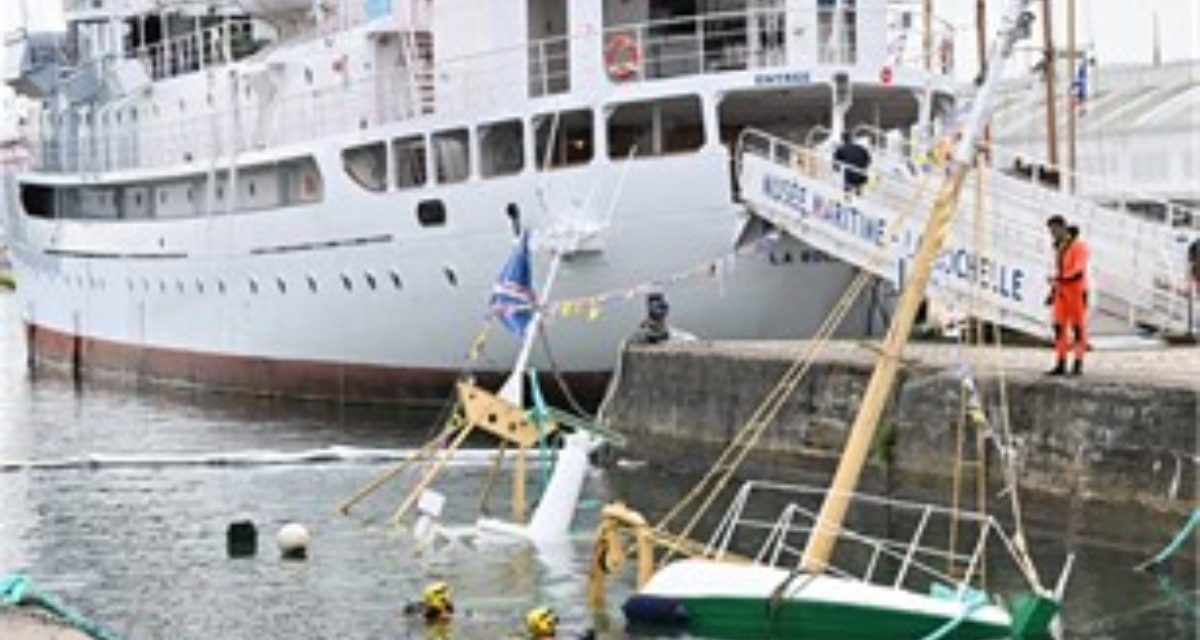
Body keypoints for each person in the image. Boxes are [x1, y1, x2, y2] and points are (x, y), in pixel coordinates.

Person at [1045, 216, 1089, 375]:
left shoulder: (1079, 247)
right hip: (1062, 292)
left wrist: (1059, 279)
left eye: (1055, 230)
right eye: (1051, 231)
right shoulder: (1059, 247)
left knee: (1078, 328)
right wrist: (1052, 292)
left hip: (1076, 292)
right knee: (1058, 327)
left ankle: (1077, 363)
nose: (1053, 233)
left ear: (1063, 227)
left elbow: (1078, 271)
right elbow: (1060, 271)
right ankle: (1061, 362)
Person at [832, 131, 871, 195]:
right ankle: (858, 193)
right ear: (852, 139)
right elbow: (868, 159)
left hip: (850, 177)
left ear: (842, 140)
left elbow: (835, 165)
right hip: (862, 175)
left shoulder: (840, 149)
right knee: (857, 181)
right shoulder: (861, 148)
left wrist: (837, 169)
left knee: (846, 175)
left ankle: (847, 195)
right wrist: (864, 168)